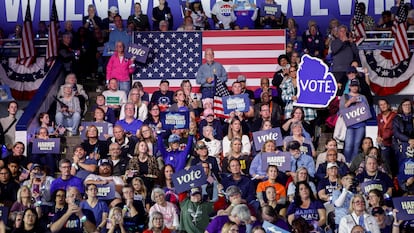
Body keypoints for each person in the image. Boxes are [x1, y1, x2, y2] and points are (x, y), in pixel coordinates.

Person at [340, 78, 369, 163]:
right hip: (350, 124)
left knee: (357, 145)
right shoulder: (345, 96)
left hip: (360, 124)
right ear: (349, 86)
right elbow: (341, 110)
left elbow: (367, 110)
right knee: (348, 145)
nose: (354, 87)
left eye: (356, 86)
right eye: (353, 86)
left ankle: (353, 164)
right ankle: (347, 163)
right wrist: (350, 102)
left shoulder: (363, 97)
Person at [376, 99, 397, 174]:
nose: (383, 106)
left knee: (393, 161)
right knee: (385, 161)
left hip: (394, 142)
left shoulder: (394, 115)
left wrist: (384, 137)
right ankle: (389, 176)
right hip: (384, 143)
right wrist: (378, 137)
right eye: (381, 105)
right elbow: (379, 129)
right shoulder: (379, 116)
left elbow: (394, 129)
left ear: (388, 105)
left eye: (384, 104)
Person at [393, 98, 414, 166]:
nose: (407, 106)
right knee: (403, 166)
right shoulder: (397, 118)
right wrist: (409, 140)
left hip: (413, 143)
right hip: (402, 144)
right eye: (405, 105)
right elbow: (396, 133)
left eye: (408, 105)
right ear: (401, 107)